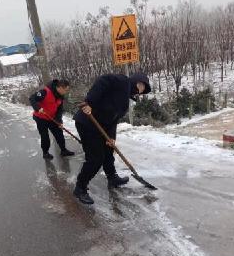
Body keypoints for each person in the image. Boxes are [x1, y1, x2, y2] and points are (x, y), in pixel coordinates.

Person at [73, 73, 151, 204]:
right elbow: (103, 79)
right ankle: (80, 188)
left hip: (102, 128)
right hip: (87, 123)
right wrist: (89, 102)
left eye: (143, 89)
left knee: (108, 151)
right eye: (142, 86)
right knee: (95, 158)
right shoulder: (122, 81)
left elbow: (113, 119)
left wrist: (111, 136)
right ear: (137, 82)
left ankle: (112, 177)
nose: (141, 90)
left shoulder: (125, 99)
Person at [30, 79, 75, 160]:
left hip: (52, 118)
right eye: (66, 90)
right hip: (41, 118)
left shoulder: (60, 96)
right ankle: (45, 153)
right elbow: (32, 98)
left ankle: (64, 151)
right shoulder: (45, 92)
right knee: (45, 136)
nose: (66, 92)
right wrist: (38, 108)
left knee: (59, 133)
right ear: (60, 87)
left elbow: (59, 110)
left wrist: (59, 121)